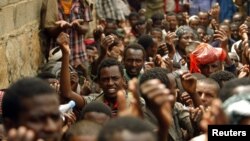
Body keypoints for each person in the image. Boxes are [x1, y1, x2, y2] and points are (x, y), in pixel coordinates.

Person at [41, 0, 92, 70]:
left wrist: (78, 26)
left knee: (82, 78)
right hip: (58, 58)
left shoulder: (82, 2)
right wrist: (60, 27)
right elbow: (50, 31)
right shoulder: (51, 2)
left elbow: (86, 27)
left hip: (79, 56)